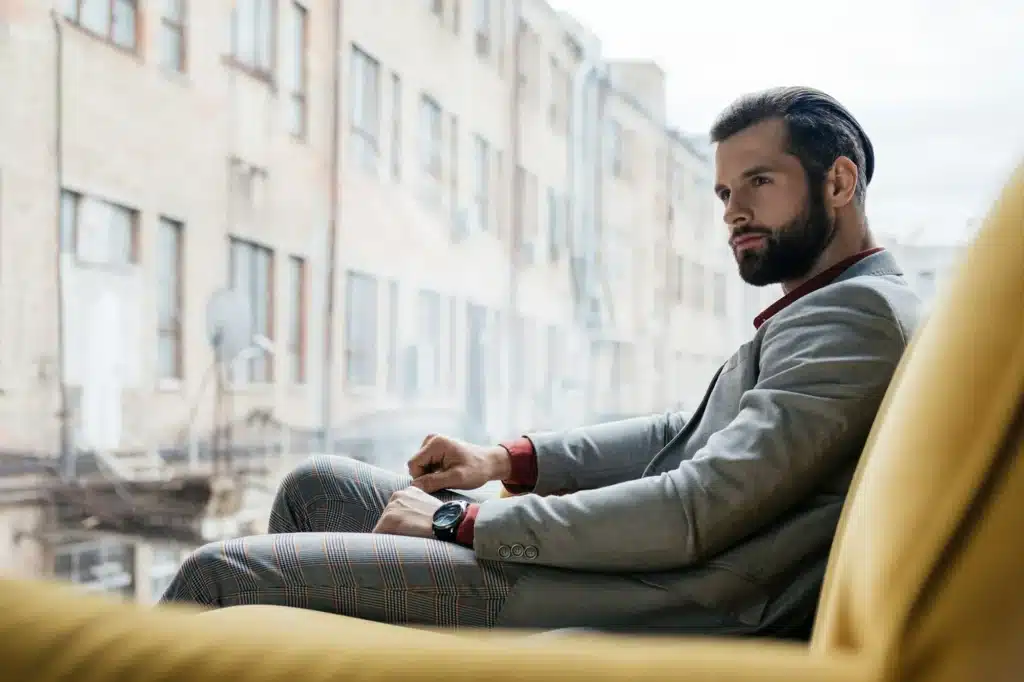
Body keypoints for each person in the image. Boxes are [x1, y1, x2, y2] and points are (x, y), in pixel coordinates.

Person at [160, 87, 921, 635]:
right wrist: (502, 460)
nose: (732, 213)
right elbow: (679, 431)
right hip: (635, 560)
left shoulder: (853, 318)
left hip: (663, 593)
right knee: (316, 486)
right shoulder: (826, 302)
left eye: (759, 181)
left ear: (839, 181)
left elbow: (695, 509)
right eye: (725, 191)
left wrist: (462, 520)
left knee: (218, 576)